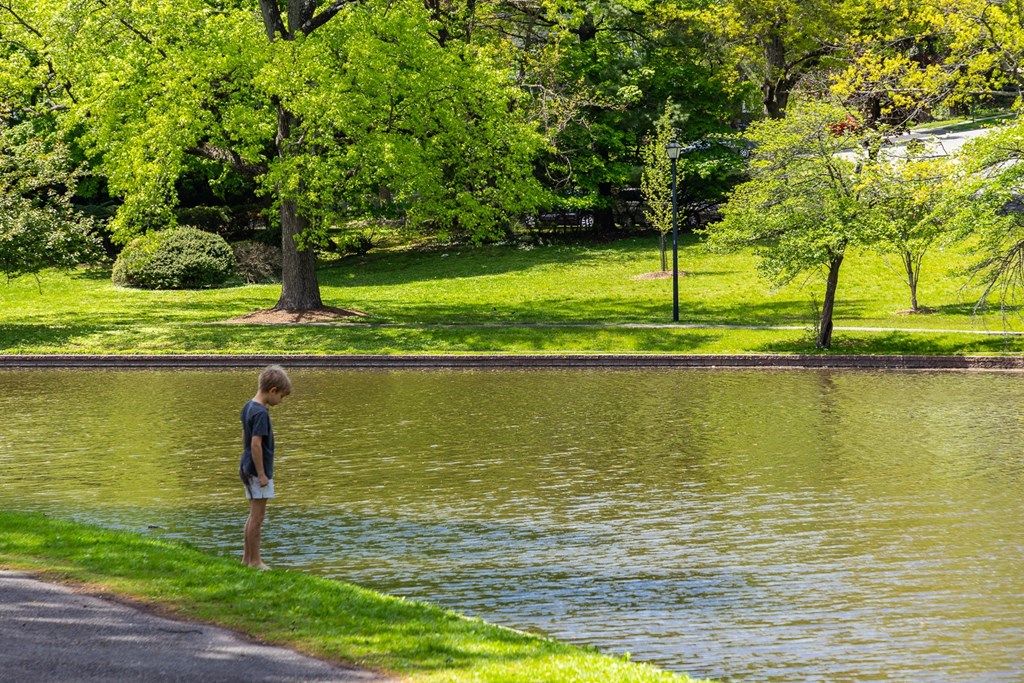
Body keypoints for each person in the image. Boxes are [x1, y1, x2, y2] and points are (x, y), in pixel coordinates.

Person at [239, 364, 292, 569]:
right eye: (281, 397)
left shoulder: (248, 407)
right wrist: (262, 474)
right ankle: (256, 561)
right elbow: (255, 443)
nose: (280, 401)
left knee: (253, 515)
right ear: (273, 391)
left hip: (246, 465)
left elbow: (244, 436)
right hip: (256, 470)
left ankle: (246, 559)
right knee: (258, 517)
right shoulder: (261, 413)